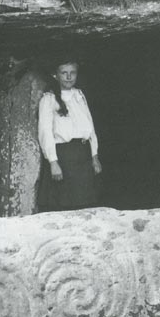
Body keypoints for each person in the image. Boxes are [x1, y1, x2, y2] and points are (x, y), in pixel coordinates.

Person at [37, 56, 102, 210]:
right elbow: (45, 132)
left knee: (86, 205)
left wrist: (94, 156)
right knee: (65, 205)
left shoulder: (79, 95)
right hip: (64, 157)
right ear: (56, 75)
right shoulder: (49, 99)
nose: (68, 76)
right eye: (64, 73)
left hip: (83, 156)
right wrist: (53, 162)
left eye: (72, 73)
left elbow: (90, 127)